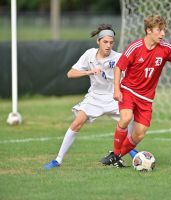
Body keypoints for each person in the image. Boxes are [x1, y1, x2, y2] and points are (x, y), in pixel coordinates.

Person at [99, 15, 171, 168]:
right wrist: (117, 90)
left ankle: (116, 156)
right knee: (126, 118)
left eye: (163, 30)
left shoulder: (166, 48)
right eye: (159, 30)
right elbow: (119, 67)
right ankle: (115, 154)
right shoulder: (135, 47)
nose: (163, 34)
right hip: (129, 91)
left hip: (146, 98)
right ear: (148, 31)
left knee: (140, 133)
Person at [44, 24, 136, 169]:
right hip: (95, 97)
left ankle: (129, 151)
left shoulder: (119, 57)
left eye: (111, 42)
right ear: (98, 41)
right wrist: (90, 71)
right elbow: (71, 73)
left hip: (114, 97)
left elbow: (132, 74)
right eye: (105, 42)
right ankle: (57, 160)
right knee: (77, 123)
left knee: (129, 120)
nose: (108, 45)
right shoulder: (89, 55)